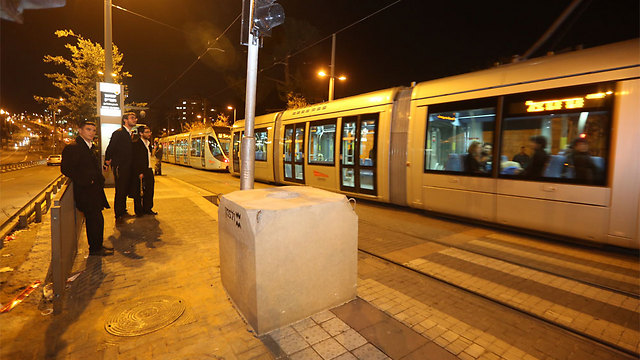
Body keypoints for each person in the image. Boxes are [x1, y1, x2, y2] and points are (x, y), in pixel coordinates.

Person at [61, 120, 112, 256]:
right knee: (94, 220)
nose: (92, 133)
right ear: (80, 131)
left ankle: (97, 245)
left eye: (93, 130)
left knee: (97, 220)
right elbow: (65, 169)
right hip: (85, 191)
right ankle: (95, 249)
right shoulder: (73, 147)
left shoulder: (89, 146)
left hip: (94, 190)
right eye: (88, 129)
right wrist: (86, 181)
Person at [105, 112, 137, 223]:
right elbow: (110, 148)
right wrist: (107, 162)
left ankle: (123, 210)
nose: (135, 119)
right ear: (125, 120)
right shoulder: (119, 133)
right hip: (120, 167)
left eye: (135, 118)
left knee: (124, 190)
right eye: (132, 118)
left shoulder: (129, 134)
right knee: (120, 190)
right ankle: (118, 214)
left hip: (127, 167)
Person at [131, 124, 157, 216]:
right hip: (141, 171)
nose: (149, 134)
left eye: (149, 132)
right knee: (139, 191)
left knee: (150, 190)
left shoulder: (148, 144)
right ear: (141, 133)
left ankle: (148, 208)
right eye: (147, 132)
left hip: (149, 169)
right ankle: (139, 211)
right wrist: (139, 172)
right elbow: (135, 159)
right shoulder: (136, 144)